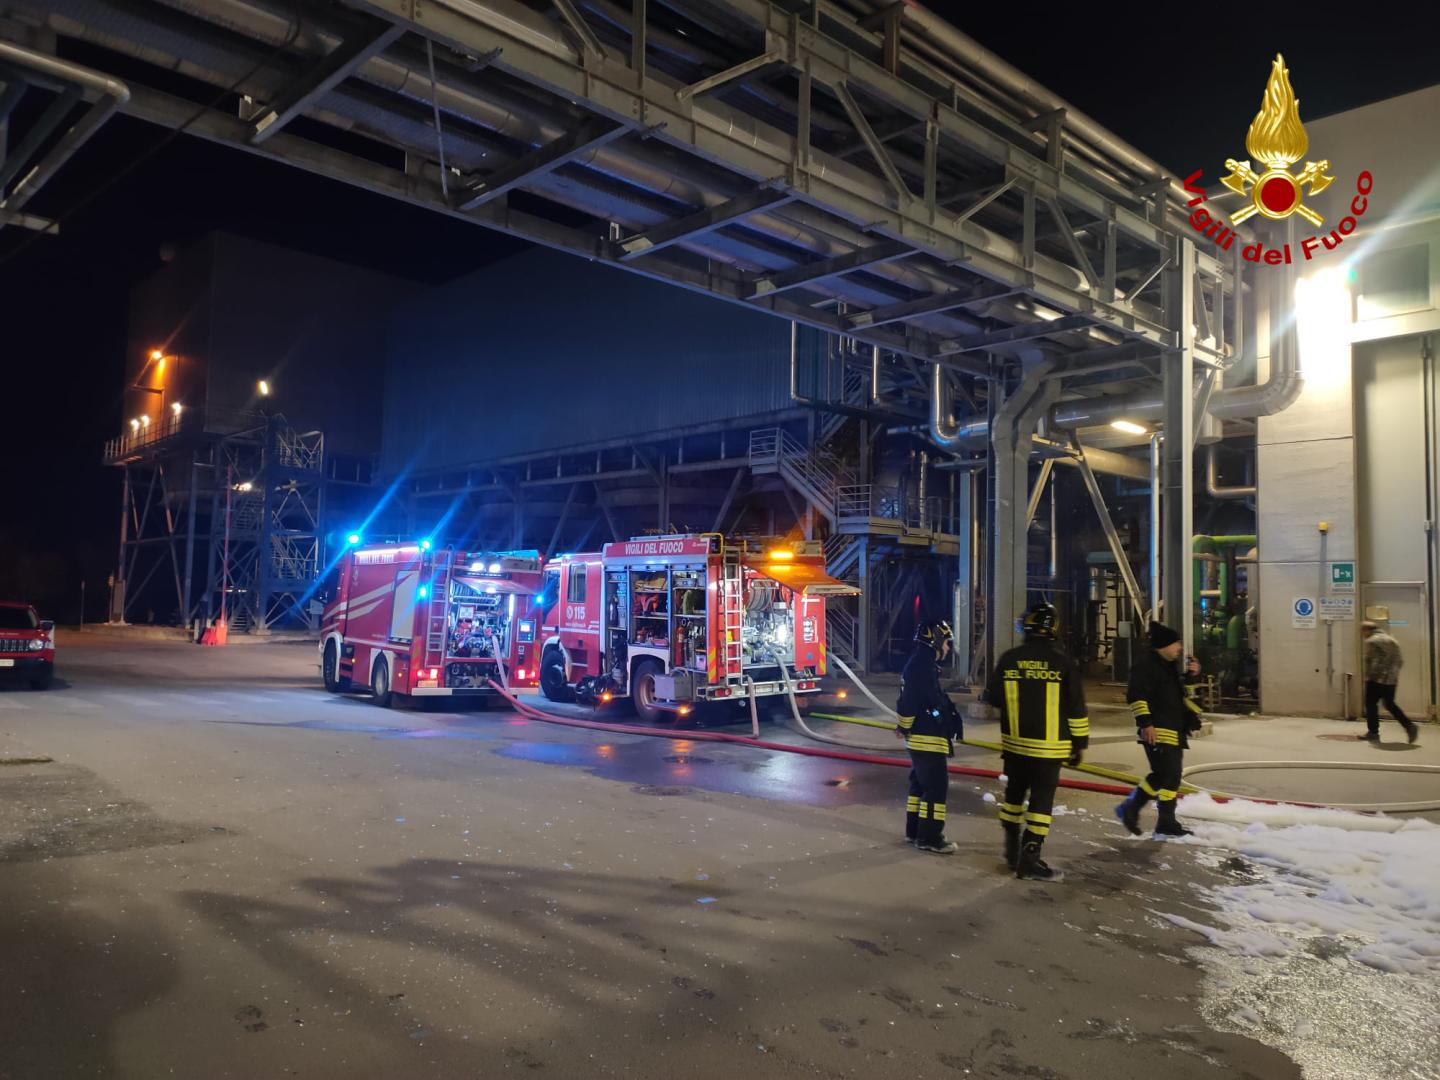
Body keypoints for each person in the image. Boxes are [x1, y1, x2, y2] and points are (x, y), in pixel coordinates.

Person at [984, 603, 1089, 882]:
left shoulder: (1009, 659)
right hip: (1049, 749)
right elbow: (1076, 708)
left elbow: (992, 698)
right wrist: (1079, 744)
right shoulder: (1063, 663)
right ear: (1053, 628)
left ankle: (1010, 850)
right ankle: (1030, 859)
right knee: (1041, 803)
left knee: (1014, 799)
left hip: (1016, 746)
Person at [1114, 622, 1204, 838]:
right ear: (1165, 644)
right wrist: (1146, 724)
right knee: (1165, 774)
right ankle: (1132, 808)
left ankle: (1165, 821)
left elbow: (1181, 695)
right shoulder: (1146, 666)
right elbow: (1136, 696)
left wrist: (1192, 677)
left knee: (1171, 777)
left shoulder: (1167, 666)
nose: (1180, 648)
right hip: (1158, 729)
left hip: (1173, 728)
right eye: (1176, 644)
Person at [895, 621, 964, 854]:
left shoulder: (921, 664)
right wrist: (904, 726)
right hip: (927, 737)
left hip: (922, 736)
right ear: (935, 640)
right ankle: (930, 837)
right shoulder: (921, 667)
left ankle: (914, 831)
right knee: (936, 788)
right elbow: (910, 702)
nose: (947, 648)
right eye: (946, 642)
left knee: (920, 785)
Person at [1360, 621, 1419, 743]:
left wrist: (1369, 676)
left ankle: (1373, 732)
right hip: (1392, 680)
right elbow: (1400, 661)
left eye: (1362, 631)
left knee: (1370, 704)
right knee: (1390, 704)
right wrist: (1393, 675)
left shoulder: (1372, 641)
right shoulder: (1392, 640)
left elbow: (1374, 661)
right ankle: (1409, 726)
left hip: (1377, 679)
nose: (1362, 634)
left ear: (1367, 630)